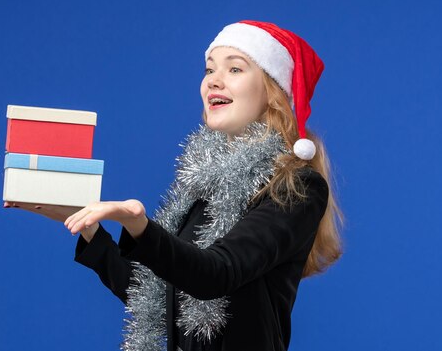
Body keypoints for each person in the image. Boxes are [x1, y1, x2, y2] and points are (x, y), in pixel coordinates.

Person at [65, 20, 343, 351]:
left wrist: (140, 226)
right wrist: (90, 232)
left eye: (235, 69)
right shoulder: (204, 186)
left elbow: (215, 274)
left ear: (273, 92)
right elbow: (159, 299)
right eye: (209, 70)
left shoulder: (296, 186)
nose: (214, 81)